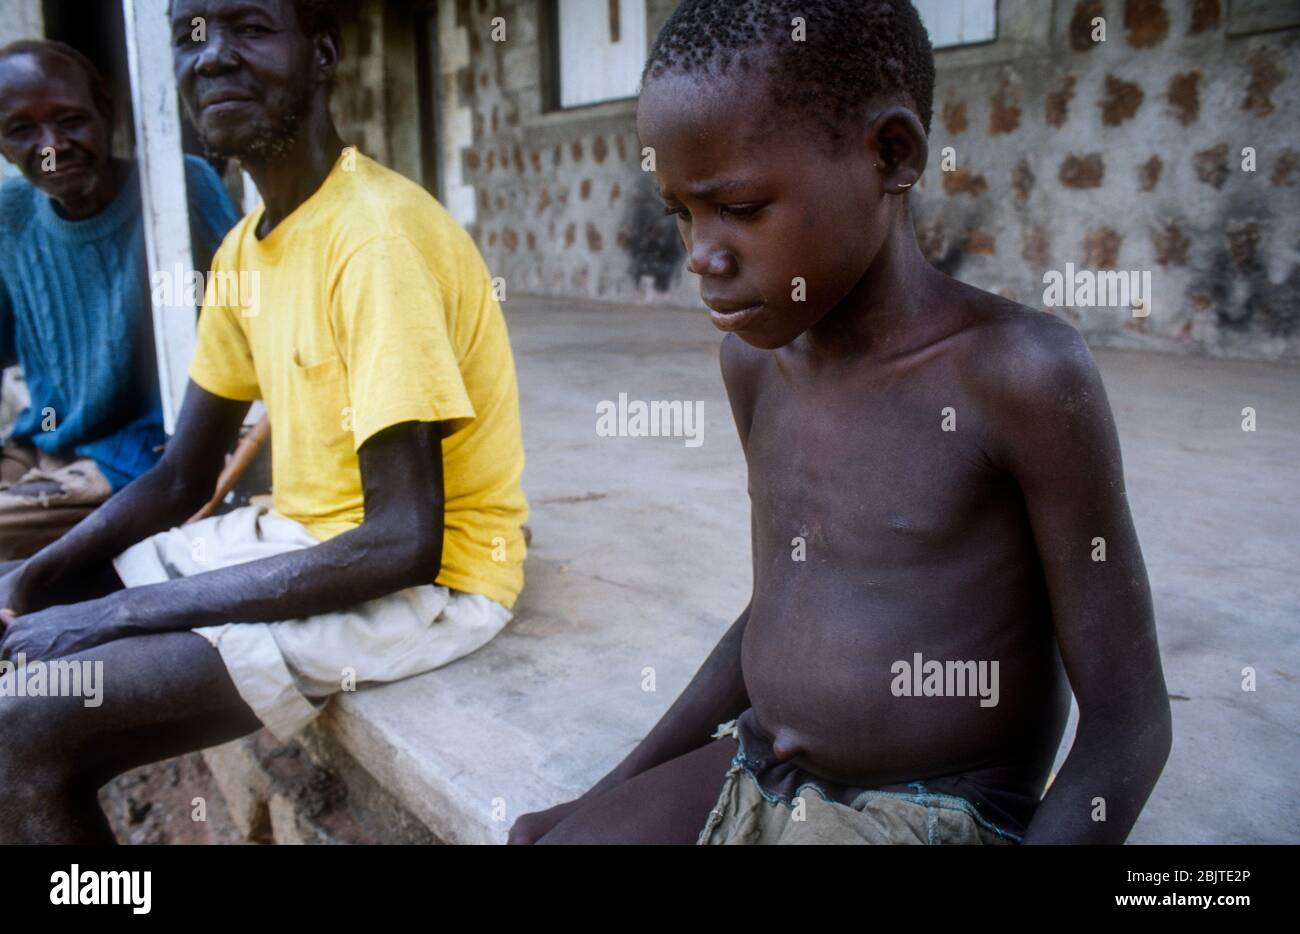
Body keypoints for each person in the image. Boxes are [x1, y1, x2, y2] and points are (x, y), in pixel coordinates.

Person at [511, 0, 1171, 845]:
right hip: (761, 770)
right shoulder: (755, 363)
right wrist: (599, 799)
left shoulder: (1018, 376)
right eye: (682, 211)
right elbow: (777, 604)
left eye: (741, 208)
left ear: (890, 154)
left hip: (931, 808)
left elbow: (1129, 723)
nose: (700, 256)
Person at [0, 0, 528, 842]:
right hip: (302, 539)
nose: (212, 60)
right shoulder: (248, 245)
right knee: (28, 638)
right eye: (189, 37)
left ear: (322, 54)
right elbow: (180, 477)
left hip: (431, 583)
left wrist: (113, 614)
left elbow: (404, 541)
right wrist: (35, 579)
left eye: (248, 27)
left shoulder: (376, 240)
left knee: (24, 723)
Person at [0, 39, 238, 558]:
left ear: (105, 108)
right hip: (43, 443)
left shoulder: (179, 187)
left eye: (69, 120)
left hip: (140, 454)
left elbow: (257, 315)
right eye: (22, 130)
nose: (50, 146)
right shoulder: (11, 213)